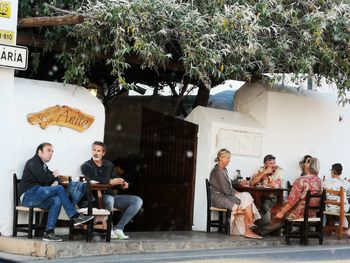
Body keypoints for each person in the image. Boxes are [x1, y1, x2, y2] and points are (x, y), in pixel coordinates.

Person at [18, 143, 94, 242]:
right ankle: (75, 216)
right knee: (59, 189)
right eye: (48, 150)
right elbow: (43, 179)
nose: (51, 153)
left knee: (57, 200)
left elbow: (55, 177)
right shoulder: (32, 162)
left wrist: (55, 180)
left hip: (37, 197)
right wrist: (53, 176)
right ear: (39, 152)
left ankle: (49, 233)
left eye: (52, 151)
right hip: (28, 196)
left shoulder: (43, 165)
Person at [81, 141, 143, 240]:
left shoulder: (108, 164)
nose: (96, 153)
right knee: (109, 199)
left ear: (103, 153)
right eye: (94, 150)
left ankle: (119, 228)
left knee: (137, 201)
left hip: (111, 197)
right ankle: (109, 229)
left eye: (99, 151)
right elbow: (94, 179)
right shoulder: (86, 166)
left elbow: (115, 178)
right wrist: (110, 182)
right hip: (95, 199)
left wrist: (122, 184)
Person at [209, 148, 262, 239]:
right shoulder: (217, 171)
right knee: (245, 199)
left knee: (246, 198)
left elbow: (228, 182)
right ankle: (249, 227)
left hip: (226, 195)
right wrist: (237, 194)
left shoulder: (223, 169)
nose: (229, 160)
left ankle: (249, 227)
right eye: (228, 158)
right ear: (221, 158)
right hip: (219, 198)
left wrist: (239, 183)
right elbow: (226, 190)